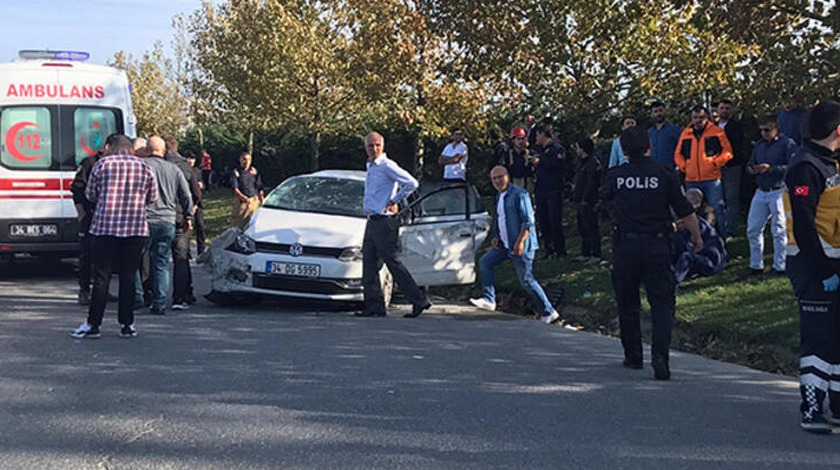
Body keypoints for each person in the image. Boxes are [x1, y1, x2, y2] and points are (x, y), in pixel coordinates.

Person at [604, 126, 702, 380]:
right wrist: (697, 237)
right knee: (662, 304)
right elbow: (685, 210)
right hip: (657, 246)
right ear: (649, 146)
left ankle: (633, 355)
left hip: (625, 246)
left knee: (628, 303)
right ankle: (660, 357)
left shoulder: (615, 175)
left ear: (623, 151)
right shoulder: (664, 174)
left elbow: (601, 204)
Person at [783, 100, 840, 433]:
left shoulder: (828, 164)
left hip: (832, 261)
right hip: (814, 264)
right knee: (818, 339)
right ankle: (812, 407)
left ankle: (835, 404)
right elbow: (804, 226)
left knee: (835, 339)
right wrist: (824, 271)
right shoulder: (806, 167)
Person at [71, 134, 157, 339]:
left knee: (102, 277)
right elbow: (152, 197)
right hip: (135, 229)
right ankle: (127, 325)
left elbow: (90, 194)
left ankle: (94, 325)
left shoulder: (102, 165)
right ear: (131, 149)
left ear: (112, 148)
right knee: (128, 277)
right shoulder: (145, 167)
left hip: (105, 228)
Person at [469, 166, 560, 324]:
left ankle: (549, 311)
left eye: (500, 176)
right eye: (494, 178)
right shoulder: (500, 196)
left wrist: (520, 242)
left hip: (520, 245)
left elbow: (528, 222)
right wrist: (496, 236)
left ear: (508, 176)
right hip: (504, 244)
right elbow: (499, 218)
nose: (497, 181)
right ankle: (489, 300)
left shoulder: (520, 194)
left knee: (526, 280)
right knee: (485, 262)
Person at [357, 132, 432, 318]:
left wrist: (394, 200)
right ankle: (374, 306)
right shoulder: (371, 166)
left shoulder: (386, 165)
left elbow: (411, 183)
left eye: (377, 145)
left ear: (383, 146)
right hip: (372, 220)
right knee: (369, 265)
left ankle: (419, 300)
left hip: (385, 222)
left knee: (393, 263)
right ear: (365, 148)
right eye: (370, 146)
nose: (374, 149)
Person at [143, 136, 192, 315]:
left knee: (139, 259)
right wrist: (189, 216)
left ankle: (140, 295)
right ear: (164, 151)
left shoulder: (142, 166)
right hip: (168, 220)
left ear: (148, 150)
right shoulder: (174, 169)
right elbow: (186, 195)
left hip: (146, 220)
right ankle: (160, 302)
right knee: (162, 262)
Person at [741, 114, 795, 279]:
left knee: (779, 230)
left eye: (767, 130)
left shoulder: (787, 144)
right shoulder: (759, 145)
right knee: (753, 228)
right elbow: (750, 162)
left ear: (776, 128)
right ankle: (756, 265)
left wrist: (771, 169)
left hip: (779, 190)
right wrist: (751, 169)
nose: (764, 133)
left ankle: (780, 266)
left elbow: (793, 166)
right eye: (761, 130)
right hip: (761, 190)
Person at [674, 105, 734, 238]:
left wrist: (714, 163)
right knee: (691, 210)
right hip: (691, 178)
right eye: (695, 117)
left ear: (707, 117)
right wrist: (684, 166)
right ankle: (693, 238)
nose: (698, 120)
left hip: (711, 178)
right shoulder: (686, 133)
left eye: (701, 117)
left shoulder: (716, 132)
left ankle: (721, 238)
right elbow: (677, 154)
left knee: (717, 208)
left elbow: (728, 152)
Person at [164, 137, 201, 310]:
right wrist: (190, 213)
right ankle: (182, 296)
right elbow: (195, 194)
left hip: (160, 216)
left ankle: (153, 295)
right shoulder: (185, 166)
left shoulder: (155, 164)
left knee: (156, 257)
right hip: (180, 218)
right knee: (181, 257)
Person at [71, 144, 104, 305]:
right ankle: (84, 290)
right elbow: (77, 187)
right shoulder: (90, 163)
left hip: (107, 217)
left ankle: (100, 288)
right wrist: (80, 211)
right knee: (87, 254)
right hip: (90, 215)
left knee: (103, 256)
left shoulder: (112, 162)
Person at [532, 125, 567, 259]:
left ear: (542, 134)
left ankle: (560, 250)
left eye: (537, 135)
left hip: (553, 189)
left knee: (554, 220)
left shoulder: (557, 149)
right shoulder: (540, 150)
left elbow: (558, 165)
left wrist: (540, 162)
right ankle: (549, 249)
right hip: (541, 189)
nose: (536, 138)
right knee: (543, 220)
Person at [717, 99, 747, 237]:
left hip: (732, 166)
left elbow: (737, 146)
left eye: (727, 108)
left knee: (731, 197)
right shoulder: (713, 127)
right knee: (718, 198)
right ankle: (719, 226)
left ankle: (731, 229)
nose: (724, 111)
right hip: (716, 167)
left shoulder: (736, 127)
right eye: (722, 108)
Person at [674, 215, 727, 285]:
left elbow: (689, 249)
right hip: (699, 258)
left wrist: (676, 235)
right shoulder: (686, 229)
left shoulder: (699, 227)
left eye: (681, 223)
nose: (679, 225)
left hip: (710, 261)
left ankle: (673, 284)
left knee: (686, 257)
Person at [573, 137, 601, 264]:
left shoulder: (592, 163)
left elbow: (592, 183)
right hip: (579, 199)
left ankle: (595, 253)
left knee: (591, 227)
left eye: (578, 147)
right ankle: (585, 252)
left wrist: (586, 198)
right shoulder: (580, 163)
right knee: (582, 227)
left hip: (588, 200)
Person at [231, 152, 265, 228]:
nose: (246, 162)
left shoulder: (254, 172)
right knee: (240, 225)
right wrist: (243, 198)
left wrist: (262, 200)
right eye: (244, 159)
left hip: (254, 201)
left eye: (249, 159)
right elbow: (235, 189)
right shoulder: (237, 172)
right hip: (242, 202)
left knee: (254, 224)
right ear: (240, 160)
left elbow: (260, 187)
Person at [647, 101, 682, 171]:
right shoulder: (649, 133)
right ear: (651, 114)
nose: (658, 113)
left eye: (660, 110)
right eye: (655, 111)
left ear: (665, 112)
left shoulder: (674, 130)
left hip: (669, 170)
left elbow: (682, 148)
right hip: (652, 170)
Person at [185, 151, 208, 255]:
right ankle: (187, 251)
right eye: (189, 158)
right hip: (187, 202)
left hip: (197, 203)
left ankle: (201, 250)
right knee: (188, 228)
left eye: (193, 159)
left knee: (201, 226)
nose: (191, 161)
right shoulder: (183, 170)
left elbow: (203, 185)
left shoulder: (197, 171)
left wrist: (201, 185)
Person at [507, 126, 534, 193]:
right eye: (518, 139)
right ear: (513, 140)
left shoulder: (530, 153)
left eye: (523, 139)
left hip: (527, 191)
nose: (521, 141)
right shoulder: (508, 155)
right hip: (514, 190)